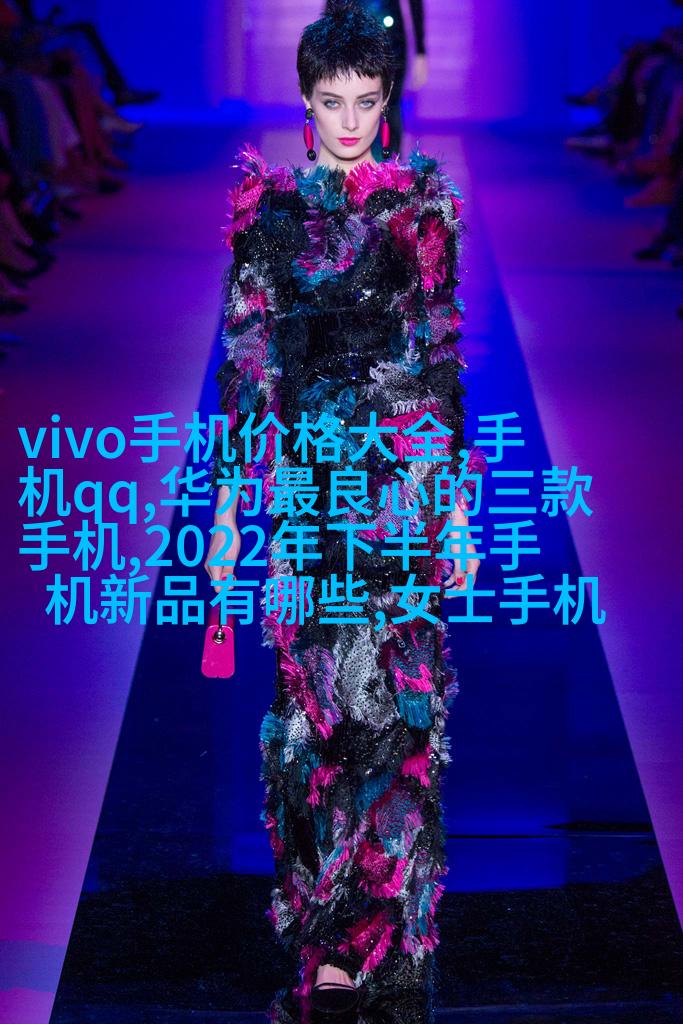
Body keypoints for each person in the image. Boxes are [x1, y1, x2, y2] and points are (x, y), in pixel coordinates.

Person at [205, 2, 486, 1022]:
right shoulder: (269, 214)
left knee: (400, 704)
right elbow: (249, 366)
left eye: (367, 100)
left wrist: (457, 511)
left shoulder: (421, 208)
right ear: (305, 101)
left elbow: (440, 361)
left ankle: (391, 928)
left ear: (388, 99)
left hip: (400, 483)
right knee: (314, 711)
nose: (352, 120)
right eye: (333, 101)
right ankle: (329, 937)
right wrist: (229, 512)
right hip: (308, 487)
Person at [324, 0, 428, 161]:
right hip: (354, 34)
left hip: (390, 36)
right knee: (355, 105)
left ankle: (390, 169)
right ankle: (357, 167)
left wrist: (420, 52)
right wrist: (326, 45)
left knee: (390, 106)